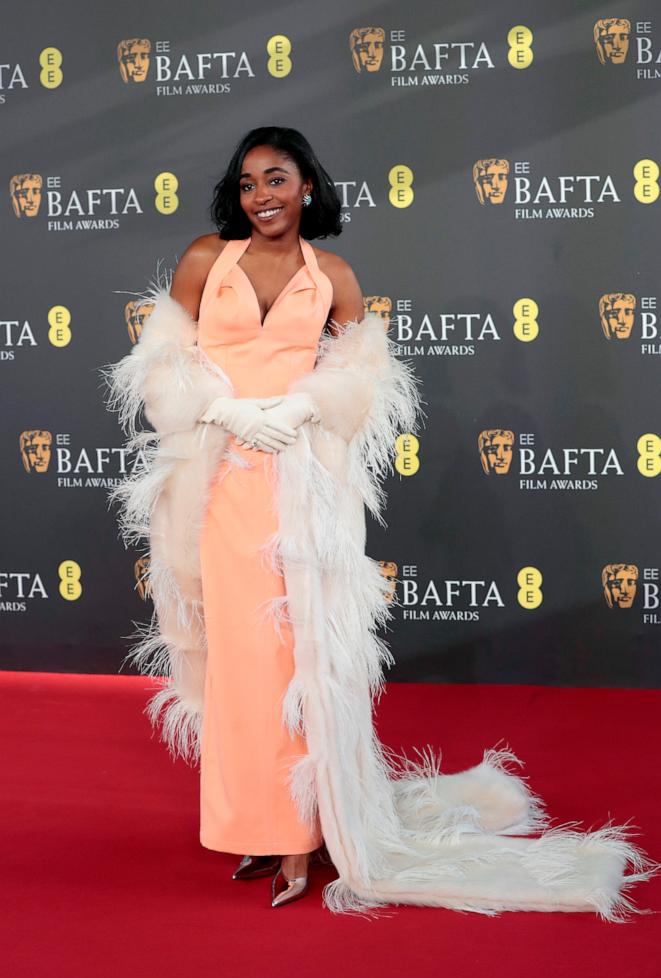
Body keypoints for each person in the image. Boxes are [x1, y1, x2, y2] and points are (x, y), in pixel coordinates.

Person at [102, 126, 657, 916]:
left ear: (307, 188)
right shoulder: (204, 260)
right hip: (220, 487)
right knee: (241, 661)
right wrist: (221, 407)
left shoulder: (331, 275)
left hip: (302, 491)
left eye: (279, 179)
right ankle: (257, 822)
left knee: (301, 657)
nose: (263, 195)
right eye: (250, 181)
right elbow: (160, 363)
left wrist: (302, 403)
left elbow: (364, 374)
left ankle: (299, 829)